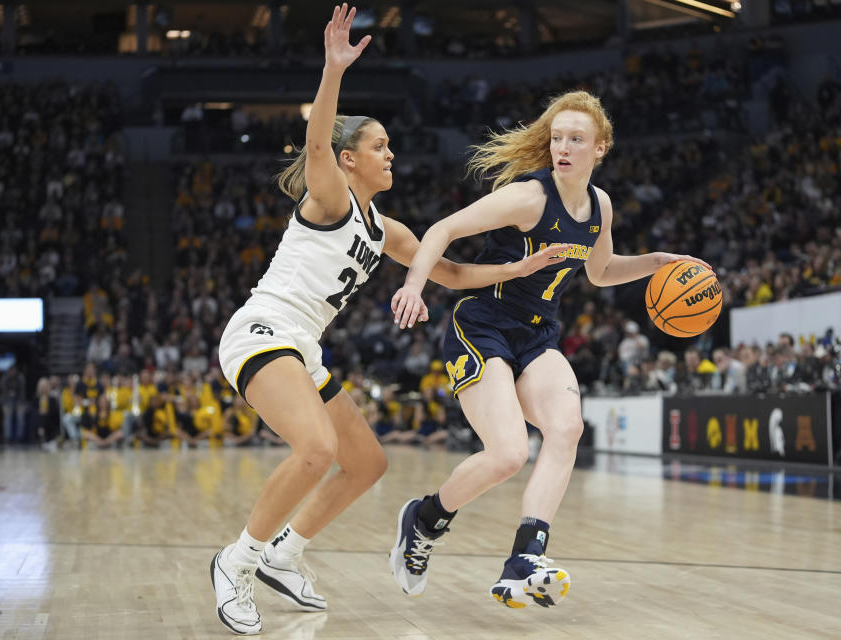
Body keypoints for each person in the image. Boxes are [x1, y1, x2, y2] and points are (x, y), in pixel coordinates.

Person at [208, 5, 567, 635]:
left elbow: (451, 274)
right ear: (350, 160)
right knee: (317, 449)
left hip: (303, 348)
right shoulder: (330, 196)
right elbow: (318, 138)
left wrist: (519, 268)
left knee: (368, 464)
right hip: (262, 330)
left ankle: (285, 554)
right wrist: (332, 71)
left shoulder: (384, 228)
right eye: (379, 146)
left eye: (390, 145)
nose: (390, 154)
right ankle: (236, 562)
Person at [388, 89, 709, 608]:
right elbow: (444, 229)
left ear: (600, 148)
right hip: (484, 324)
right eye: (557, 138)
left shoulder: (600, 205)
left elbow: (601, 273)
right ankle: (422, 521)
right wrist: (413, 285)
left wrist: (656, 261)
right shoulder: (529, 197)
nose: (563, 147)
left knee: (567, 427)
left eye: (576, 139)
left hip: (537, 333)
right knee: (509, 454)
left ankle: (525, 557)